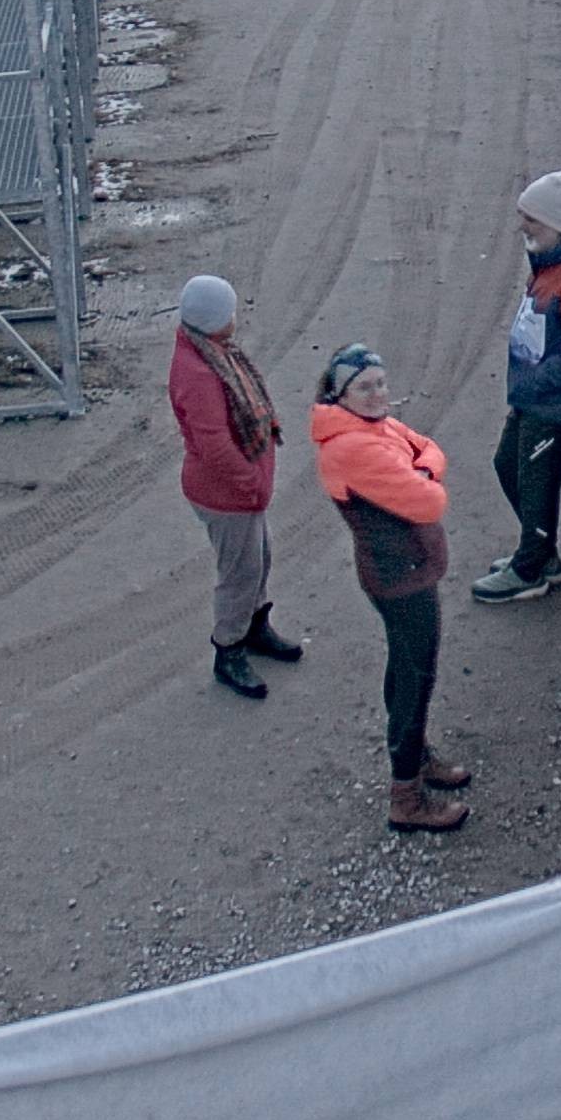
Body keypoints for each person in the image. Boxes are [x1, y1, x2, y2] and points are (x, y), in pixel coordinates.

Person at [311, 343, 473, 832]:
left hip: (405, 571)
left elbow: (430, 448)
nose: (378, 393)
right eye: (364, 387)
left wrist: (418, 468)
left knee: (406, 667)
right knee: (414, 677)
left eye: (381, 383)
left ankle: (416, 756)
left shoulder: (369, 428)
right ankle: (406, 795)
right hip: (400, 579)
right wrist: (421, 473)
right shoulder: (354, 446)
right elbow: (429, 503)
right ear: (340, 395)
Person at [478, 169, 561, 605]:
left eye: (530, 220)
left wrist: (535, 382)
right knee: (508, 467)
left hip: (553, 405)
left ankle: (530, 569)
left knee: (536, 485)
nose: (522, 227)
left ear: (555, 224)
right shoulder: (556, 254)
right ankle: (541, 555)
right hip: (535, 398)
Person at [167, 273, 300, 699]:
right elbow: (216, 448)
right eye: (229, 313)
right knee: (240, 573)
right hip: (226, 495)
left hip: (240, 492)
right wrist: (251, 485)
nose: (235, 319)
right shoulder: (201, 374)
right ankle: (229, 649)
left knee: (257, 560)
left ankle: (255, 627)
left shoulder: (210, 352)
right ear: (213, 320)